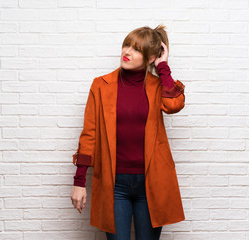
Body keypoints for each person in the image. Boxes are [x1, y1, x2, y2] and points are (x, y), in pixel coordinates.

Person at [70, 25, 186, 240]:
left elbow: (174, 104)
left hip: (151, 183)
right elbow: (89, 134)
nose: (127, 52)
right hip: (113, 184)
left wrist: (163, 67)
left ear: (151, 57)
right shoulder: (101, 85)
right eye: (127, 45)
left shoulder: (157, 86)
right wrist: (79, 182)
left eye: (136, 49)